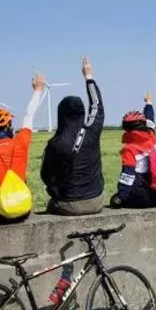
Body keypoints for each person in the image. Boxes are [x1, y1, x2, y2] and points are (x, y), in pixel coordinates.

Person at [0, 74, 45, 224]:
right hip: (22, 208)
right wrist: (38, 90)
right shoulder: (21, 143)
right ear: (8, 126)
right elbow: (29, 116)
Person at [41, 56, 105, 215]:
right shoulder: (92, 130)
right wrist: (88, 76)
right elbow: (96, 105)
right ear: (82, 113)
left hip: (69, 205)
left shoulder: (55, 144)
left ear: (61, 115)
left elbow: (46, 176)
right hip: (96, 201)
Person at [110, 93, 156, 208]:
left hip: (140, 198)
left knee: (114, 199)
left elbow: (127, 176)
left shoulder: (129, 149)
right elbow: (150, 119)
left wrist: (120, 198)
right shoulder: (152, 137)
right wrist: (149, 103)